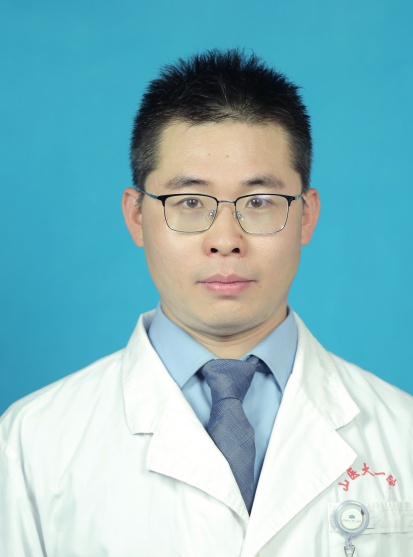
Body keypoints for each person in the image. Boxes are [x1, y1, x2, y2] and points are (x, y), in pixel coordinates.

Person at [1, 49, 412, 557]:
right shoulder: (31, 444)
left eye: (259, 202)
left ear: (306, 216)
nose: (225, 241)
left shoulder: (403, 434)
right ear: (136, 216)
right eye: (190, 202)